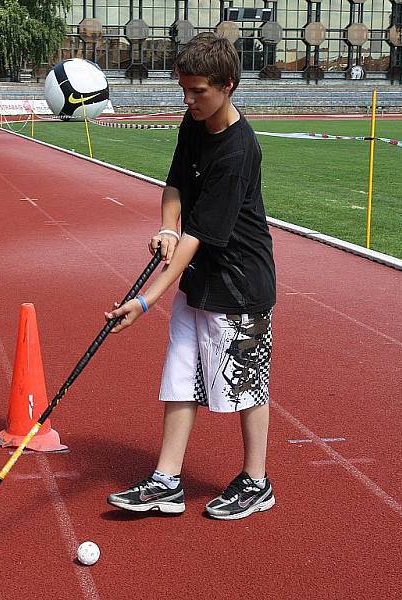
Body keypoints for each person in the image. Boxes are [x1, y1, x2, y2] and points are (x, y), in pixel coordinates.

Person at [104, 32, 277, 521]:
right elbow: (176, 183)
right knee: (180, 376)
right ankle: (166, 481)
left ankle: (257, 482)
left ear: (227, 86)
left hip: (241, 285)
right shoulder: (194, 121)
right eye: (184, 90)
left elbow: (197, 237)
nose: (189, 100)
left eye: (198, 91)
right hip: (199, 278)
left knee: (247, 385)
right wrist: (165, 226)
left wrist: (143, 302)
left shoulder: (239, 151)